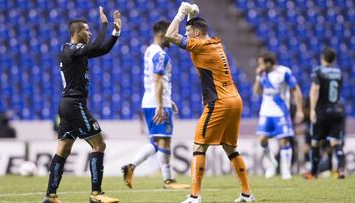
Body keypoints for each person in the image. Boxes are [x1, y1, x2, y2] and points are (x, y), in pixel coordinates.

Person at [165, 2, 255, 203]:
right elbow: (195, 44)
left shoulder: (199, 44)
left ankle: (195, 196)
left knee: (199, 146)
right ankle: (247, 194)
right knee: (230, 147)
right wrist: (192, 17)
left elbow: (170, 35)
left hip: (219, 102)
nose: (186, 35)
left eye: (188, 32)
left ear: (196, 33)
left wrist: (181, 14)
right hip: (235, 100)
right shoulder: (214, 43)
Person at [42, 6, 121, 203]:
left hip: (67, 106)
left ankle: (50, 195)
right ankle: (96, 194)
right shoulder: (70, 50)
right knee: (99, 144)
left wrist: (115, 32)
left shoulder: (78, 52)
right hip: (75, 105)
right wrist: (104, 25)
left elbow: (102, 49)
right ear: (77, 33)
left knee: (63, 149)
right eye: (87, 30)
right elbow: (95, 46)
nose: (90, 32)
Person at [121, 20, 189, 190]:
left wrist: (167, 100)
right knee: (165, 142)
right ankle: (168, 180)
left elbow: (156, 81)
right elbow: (157, 81)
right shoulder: (160, 55)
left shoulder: (150, 50)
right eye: (171, 34)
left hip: (152, 100)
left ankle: (131, 167)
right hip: (157, 103)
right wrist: (161, 104)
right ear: (161, 34)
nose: (174, 38)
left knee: (157, 143)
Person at [253, 51, 304, 180]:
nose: (259, 66)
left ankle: (286, 171)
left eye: (261, 63)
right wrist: (258, 77)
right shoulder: (262, 74)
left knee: (283, 141)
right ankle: (272, 163)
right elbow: (256, 92)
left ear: (269, 63)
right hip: (265, 112)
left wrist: (299, 110)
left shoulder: (284, 72)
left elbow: (296, 90)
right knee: (262, 140)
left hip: (281, 112)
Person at [303, 48, 346, 179]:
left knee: (315, 142)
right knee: (335, 142)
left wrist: (312, 110)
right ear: (333, 59)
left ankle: (313, 173)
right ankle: (341, 169)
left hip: (322, 111)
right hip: (337, 110)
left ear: (322, 58)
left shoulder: (318, 71)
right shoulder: (339, 72)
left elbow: (315, 89)